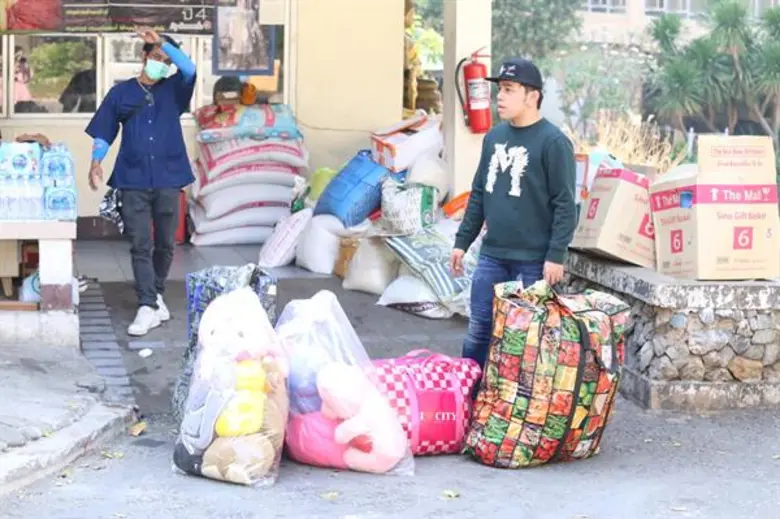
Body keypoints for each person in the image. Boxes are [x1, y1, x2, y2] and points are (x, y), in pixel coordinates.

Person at [449, 57, 577, 373]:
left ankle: (521, 408)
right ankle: (470, 396)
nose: (500, 97)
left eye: (508, 89)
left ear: (532, 96)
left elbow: (565, 204)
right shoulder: (494, 138)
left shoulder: (554, 142)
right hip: (493, 255)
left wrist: (556, 255)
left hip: (535, 261)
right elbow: (479, 192)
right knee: (479, 329)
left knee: (531, 339)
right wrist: (462, 242)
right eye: (500, 90)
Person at [86, 27, 196, 337]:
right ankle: (147, 304)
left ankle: (156, 294)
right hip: (131, 177)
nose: (162, 63)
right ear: (144, 58)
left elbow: (190, 67)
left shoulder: (176, 88)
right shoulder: (121, 93)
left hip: (168, 177)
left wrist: (161, 41)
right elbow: (105, 130)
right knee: (139, 244)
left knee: (165, 243)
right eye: (157, 57)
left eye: (165, 59)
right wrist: (96, 162)